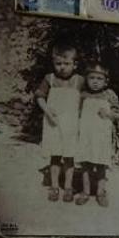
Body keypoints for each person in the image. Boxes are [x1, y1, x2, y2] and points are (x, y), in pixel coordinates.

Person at [35, 43, 83, 202]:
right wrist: (47, 110)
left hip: (71, 124)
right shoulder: (49, 79)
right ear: (53, 63)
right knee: (55, 155)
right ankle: (54, 186)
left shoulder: (79, 81)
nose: (62, 67)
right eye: (58, 63)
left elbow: (88, 100)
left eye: (66, 63)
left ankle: (68, 186)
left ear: (75, 64)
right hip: (53, 122)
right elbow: (40, 97)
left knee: (69, 156)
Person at [74, 63, 119, 207]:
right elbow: (77, 114)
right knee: (85, 163)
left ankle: (100, 192)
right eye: (92, 78)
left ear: (106, 81)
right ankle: (86, 191)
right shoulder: (83, 95)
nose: (95, 81)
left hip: (102, 136)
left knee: (101, 164)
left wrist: (109, 114)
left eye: (99, 79)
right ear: (86, 79)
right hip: (86, 135)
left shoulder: (109, 95)